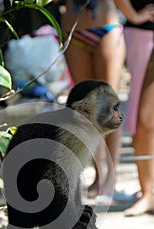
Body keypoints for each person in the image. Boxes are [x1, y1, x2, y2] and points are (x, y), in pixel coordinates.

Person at [61, 0, 126, 203]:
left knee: (110, 107)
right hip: (73, 29)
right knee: (87, 111)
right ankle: (98, 176)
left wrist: (134, 16)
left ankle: (110, 179)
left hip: (106, 29)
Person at [114, 0, 154, 216]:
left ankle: (149, 193)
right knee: (143, 122)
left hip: (142, 34)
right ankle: (148, 193)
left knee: (146, 121)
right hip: (142, 35)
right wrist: (134, 15)